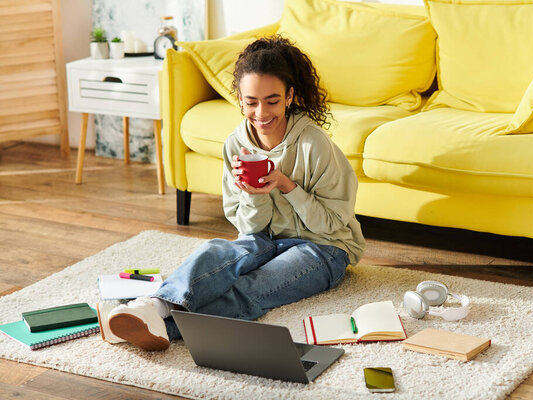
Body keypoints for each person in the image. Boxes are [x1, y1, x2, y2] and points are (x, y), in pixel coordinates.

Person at [95, 35, 366, 351]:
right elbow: (250, 230)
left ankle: (163, 328)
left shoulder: (314, 145)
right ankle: (152, 306)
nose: (261, 113)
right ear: (239, 99)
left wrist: (286, 185)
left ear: (290, 96)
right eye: (251, 102)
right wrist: (254, 193)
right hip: (267, 238)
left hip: (324, 247)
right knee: (217, 254)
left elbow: (333, 224)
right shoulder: (236, 145)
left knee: (252, 287)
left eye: (272, 100)